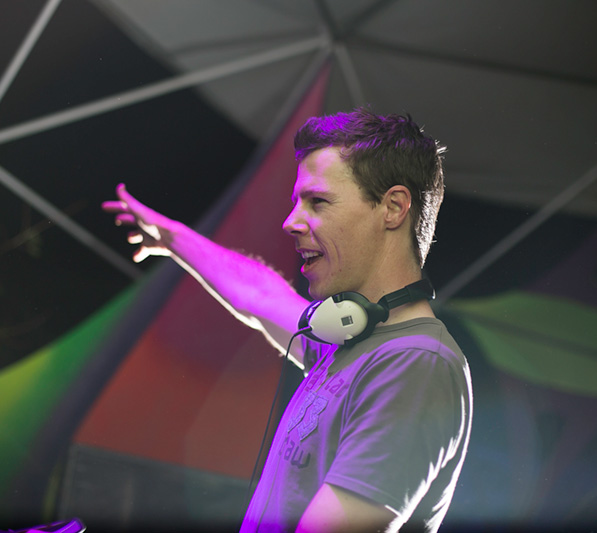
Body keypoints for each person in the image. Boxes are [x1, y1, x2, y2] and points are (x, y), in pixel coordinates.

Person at [102, 108, 473, 533]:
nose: (291, 222)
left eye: (318, 201)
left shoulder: (416, 365)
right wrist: (171, 237)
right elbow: (260, 295)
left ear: (392, 208)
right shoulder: (350, 336)